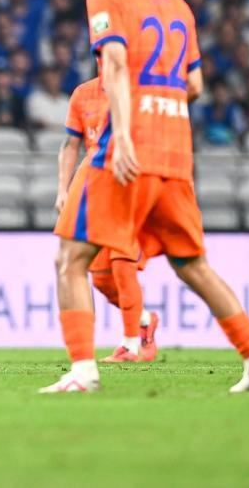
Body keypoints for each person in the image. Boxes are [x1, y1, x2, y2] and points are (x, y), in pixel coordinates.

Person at [43, 0, 249, 395]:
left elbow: (113, 62)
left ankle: (83, 371)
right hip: (176, 152)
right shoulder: (178, 2)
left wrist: (125, 134)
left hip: (128, 151)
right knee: (193, 265)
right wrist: (160, 102)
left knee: (69, 258)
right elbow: (194, 84)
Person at [54, 76, 160, 363]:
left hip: (129, 181)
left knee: (123, 261)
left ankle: (131, 345)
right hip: (95, 184)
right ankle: (144, 319)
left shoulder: (139, 92)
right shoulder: (83, 93)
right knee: (101, 277)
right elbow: (70, 144)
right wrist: (63, 189)